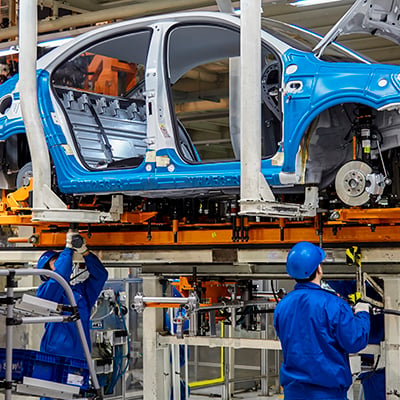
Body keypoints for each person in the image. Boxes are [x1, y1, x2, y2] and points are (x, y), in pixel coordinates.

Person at [274, 241, 370, 400]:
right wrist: (362, 314)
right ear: (319, 268)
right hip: (328, 394)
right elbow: (354, 341)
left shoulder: (282, 306)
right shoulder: (334, 305)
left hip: (293, 394)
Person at [36, 229, 108, 361]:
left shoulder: (79, 293)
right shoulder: (45, 293)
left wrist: (84, 252)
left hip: (80, 358)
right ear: (46, 273)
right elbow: (60, 275)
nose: (63, 263)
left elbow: (100, 275)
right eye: (55, 262)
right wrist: (68, 249)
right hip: (54, 358)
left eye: (61, 260)